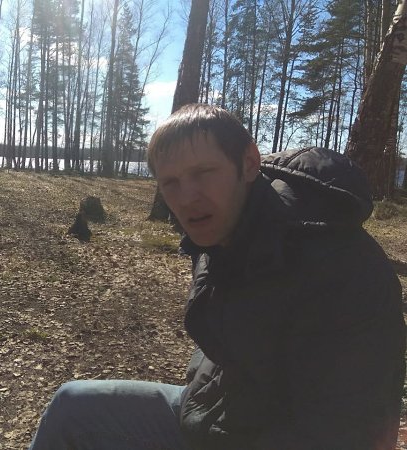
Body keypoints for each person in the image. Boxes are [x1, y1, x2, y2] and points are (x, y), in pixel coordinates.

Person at [29, 104, 406, 450]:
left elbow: (348, 430)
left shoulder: (338, 268)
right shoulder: (225, 235)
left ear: (249, 163)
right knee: (72, 408)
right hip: (217, 413)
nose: (186, 197)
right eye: (171, 182)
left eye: (203, 173)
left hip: (262, 435)